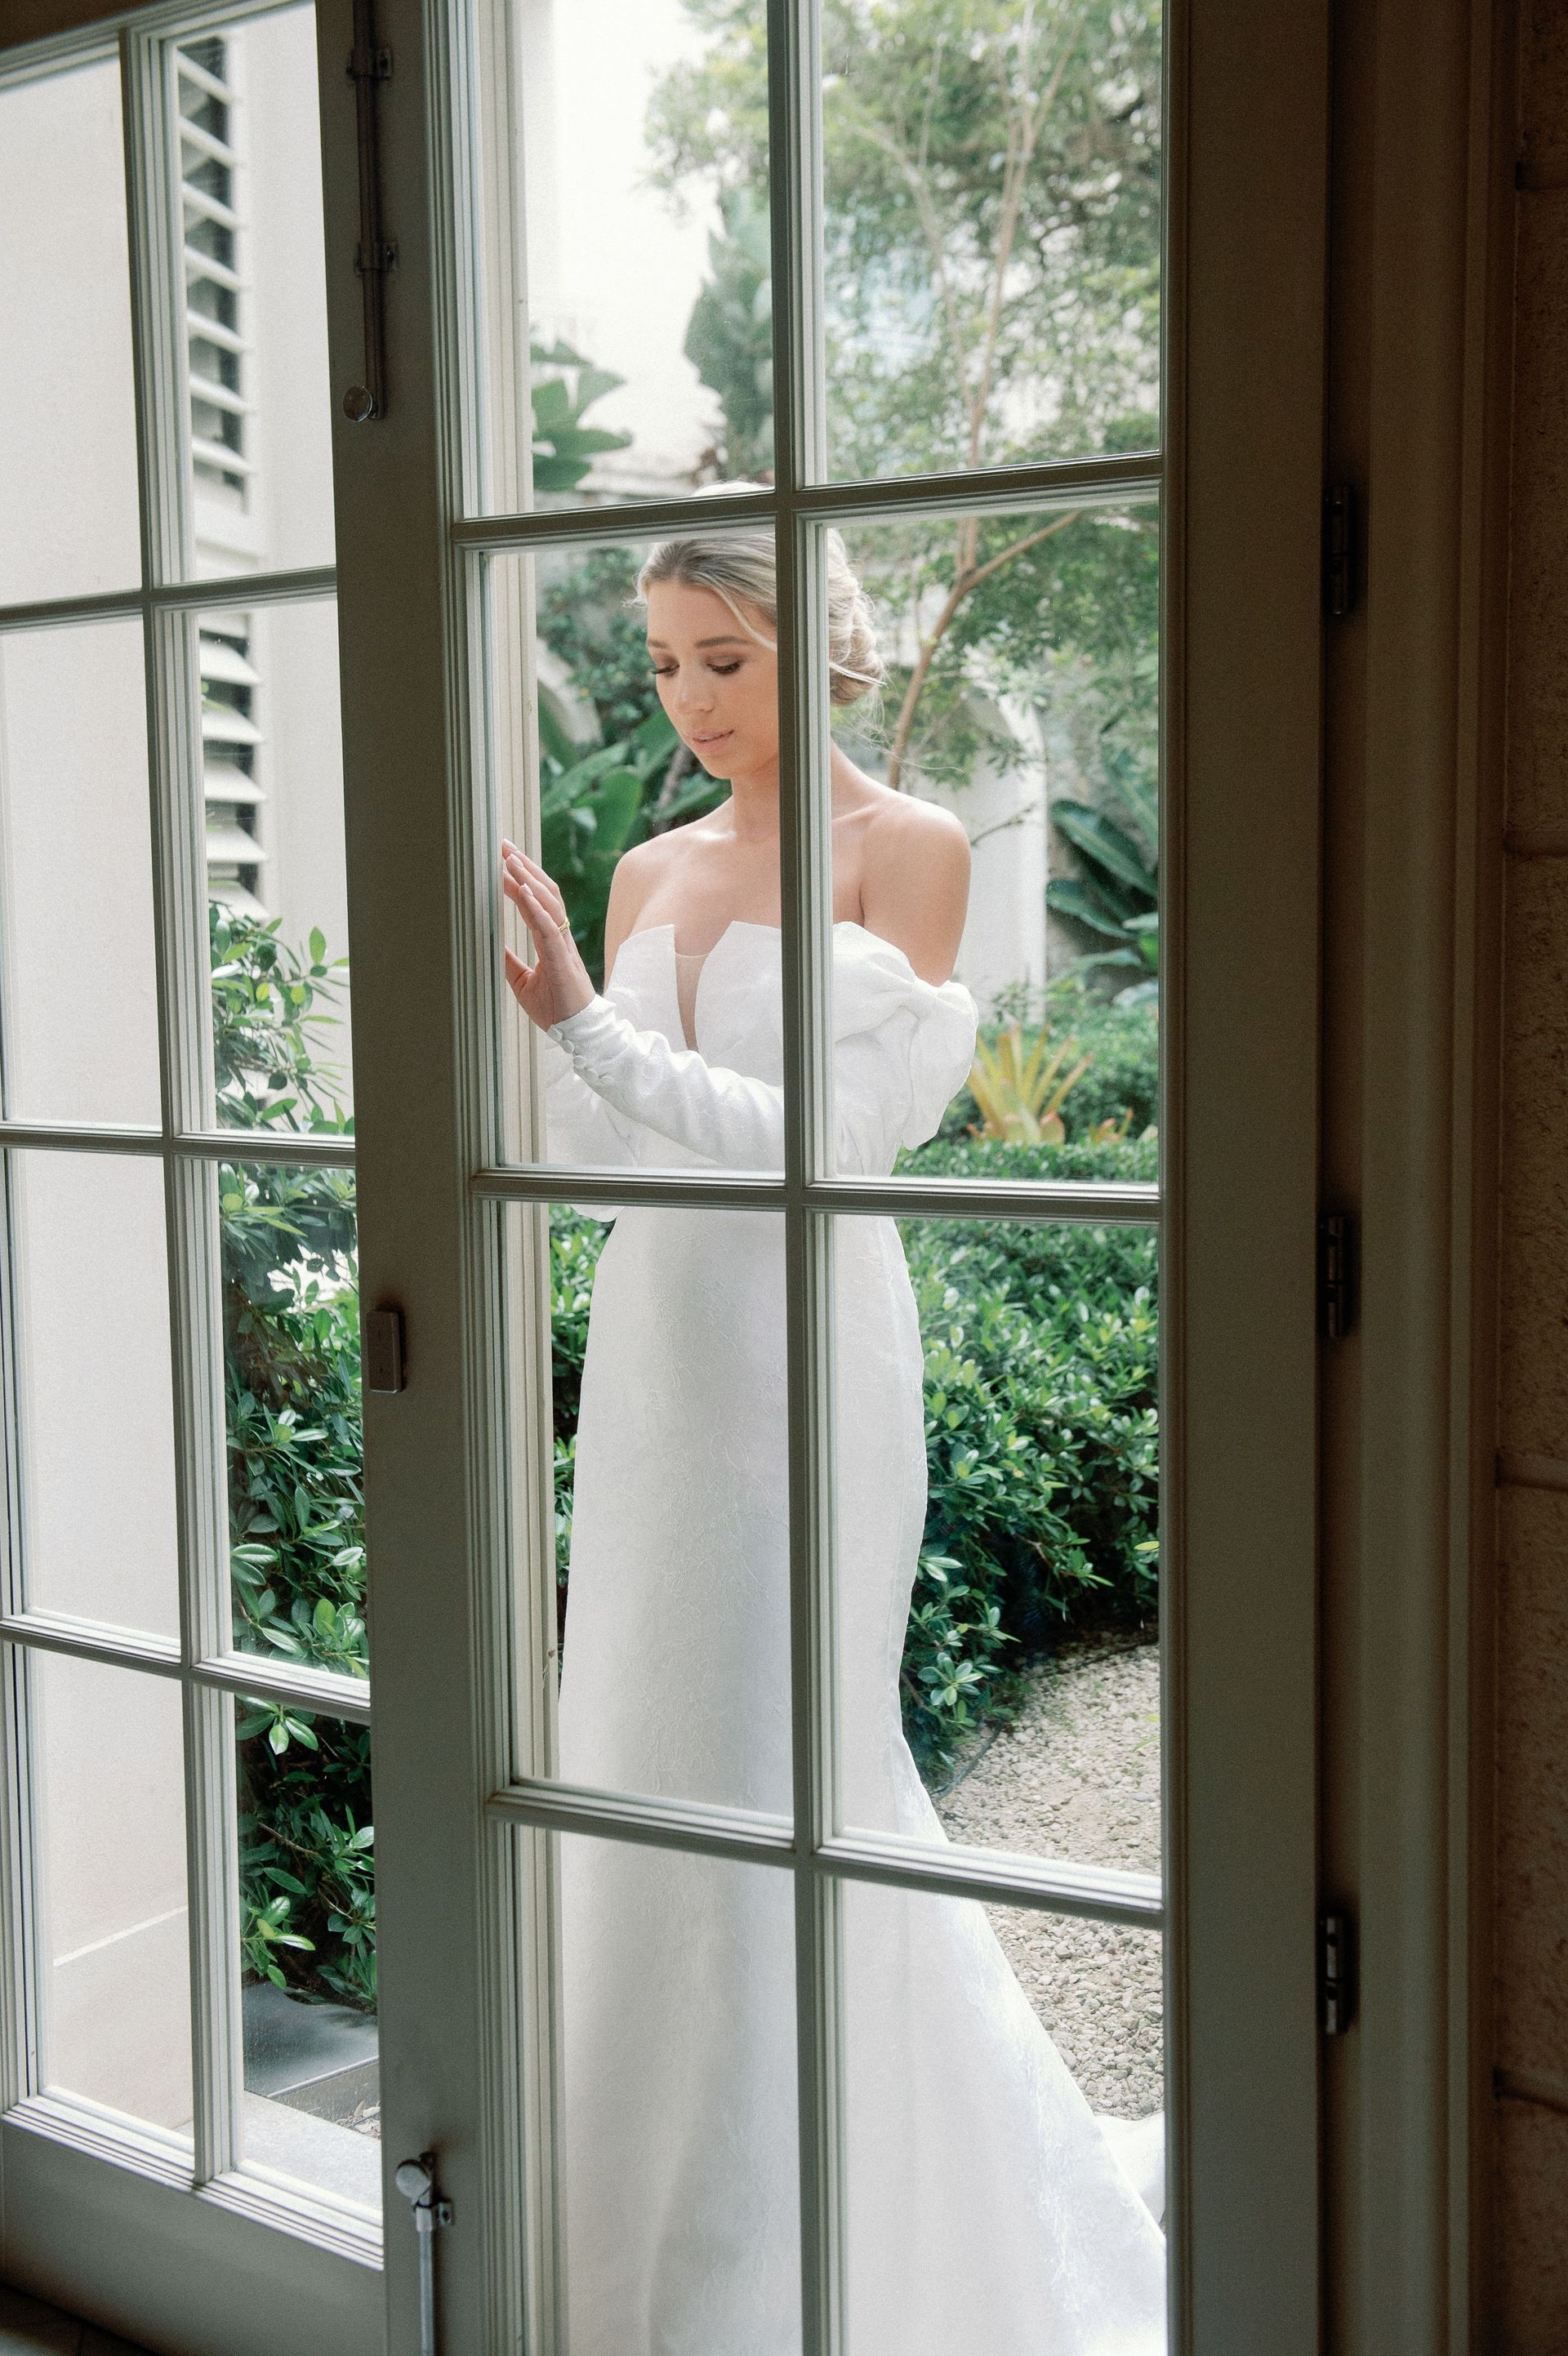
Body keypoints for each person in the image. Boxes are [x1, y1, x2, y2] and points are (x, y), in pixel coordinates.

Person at [500, 527, 1166, 2354]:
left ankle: (816, 2246)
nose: (691, 698)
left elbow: (830, 1147)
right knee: (641, 1748)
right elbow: (635, 1162)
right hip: (657, 1355)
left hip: (809, 1353)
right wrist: (569, 1045)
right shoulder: (643, 867)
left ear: (820, 643)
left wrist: (583, 1026)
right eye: (661, 663)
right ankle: (615, 2222)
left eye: (725, 655)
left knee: (791, 1758)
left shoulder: (912, 850)